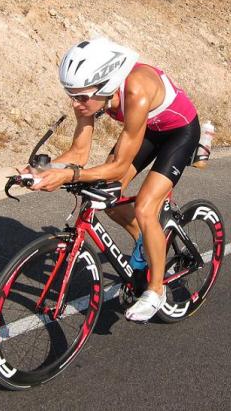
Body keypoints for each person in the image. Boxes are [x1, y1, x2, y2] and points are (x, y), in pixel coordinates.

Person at [28, 37, 200, 322]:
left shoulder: (136, 89)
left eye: (81, 97)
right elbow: (79, 153)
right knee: (106, 196)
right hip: (145, 129)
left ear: (106, 85)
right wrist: (40, 170)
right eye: (71, 95)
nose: (75, 103)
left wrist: (68, 174)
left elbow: (118, 167)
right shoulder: (91, 97)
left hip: (179, 133)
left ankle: (156, 290)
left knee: (145, 207)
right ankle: (147, 243)